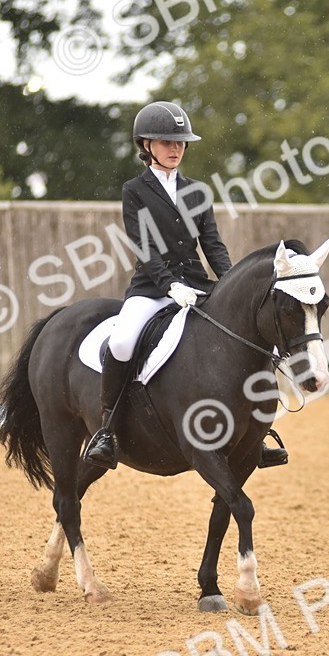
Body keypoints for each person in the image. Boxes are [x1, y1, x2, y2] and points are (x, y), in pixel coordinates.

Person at [82, 100, 288, 470]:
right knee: (123, 340)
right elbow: (144, 247)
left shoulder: (197, 191)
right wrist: (168, 285)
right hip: (151, 287)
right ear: (146, 145)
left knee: (245, 334)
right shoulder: (135, 190)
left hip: (197, 284)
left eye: (180, 143)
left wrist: (229, 283)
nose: (175, 149)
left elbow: (213, 244)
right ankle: (107, 431)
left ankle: (257, 433)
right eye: (166, 142)